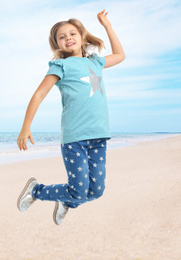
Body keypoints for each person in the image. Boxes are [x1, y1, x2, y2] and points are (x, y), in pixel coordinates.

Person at [16, 10, 125, 226]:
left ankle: (67, 204)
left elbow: (120, 55)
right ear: (56, 44)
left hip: (99, 137)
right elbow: (39, 94)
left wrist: (107, 26)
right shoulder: (60, 66)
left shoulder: (95, 62)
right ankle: (36, 190)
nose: (68, 38)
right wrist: (25, 126)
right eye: (62, 37)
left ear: (82, 37)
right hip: (74, 139)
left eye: (73, 34)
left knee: (96, 191)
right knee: (77, 189)